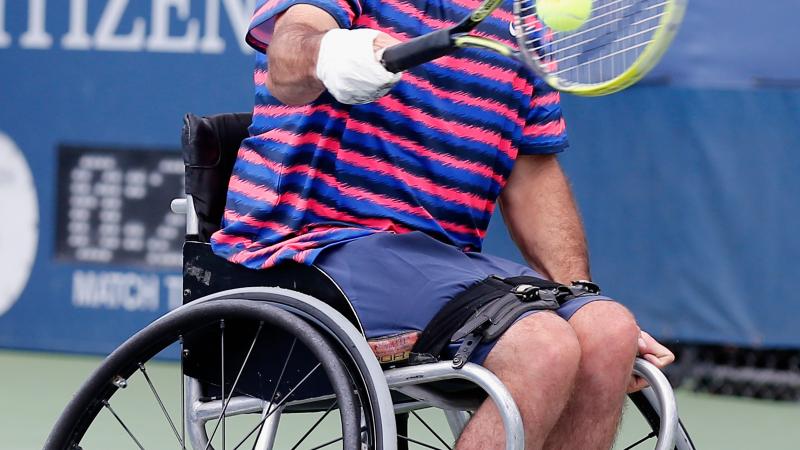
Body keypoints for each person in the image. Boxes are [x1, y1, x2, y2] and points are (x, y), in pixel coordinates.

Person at [211, 0, 675, 448]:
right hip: (312, 250)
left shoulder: (525, 23)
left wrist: (576, 293)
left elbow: (532, 177)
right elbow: (287, 63)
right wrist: (331, 52)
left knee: (608, 332)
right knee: (542, 346)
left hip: (440, 266)